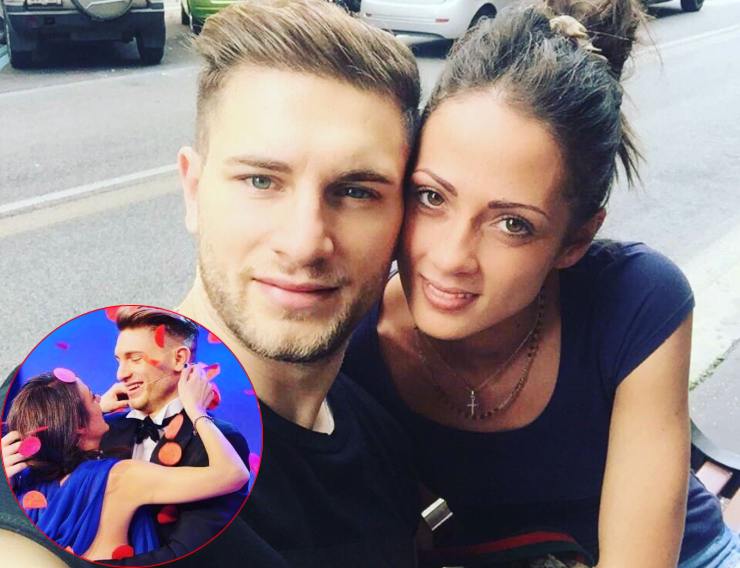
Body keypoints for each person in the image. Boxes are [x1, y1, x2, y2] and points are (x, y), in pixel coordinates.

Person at [1, 1, 423, 566]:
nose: (304, 242)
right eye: (261, 180)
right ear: (193, 190)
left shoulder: (384, 436)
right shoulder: (35, 452)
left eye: (356, 191)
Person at [342, 0, 740, 567]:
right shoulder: (353, 344)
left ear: (576, 240)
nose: (451, 258)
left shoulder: (635, 302)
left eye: (513, 224)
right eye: (431, 197)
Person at [2, 307, 255, 566]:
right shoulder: (115, 455)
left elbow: (186, 552)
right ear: (77, 425)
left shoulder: (31, 481)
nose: (120, 374)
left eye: (134, 358)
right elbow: (232, 474)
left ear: (180, 359)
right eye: (119, 361)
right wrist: (197, 410)